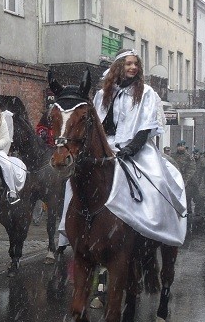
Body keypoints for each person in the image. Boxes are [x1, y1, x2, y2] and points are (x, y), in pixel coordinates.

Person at [72, 49, 186, 247]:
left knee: (157, 180)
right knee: (76, 177)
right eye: (128, 64)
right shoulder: (102, 94)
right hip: (106, 146)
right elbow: (94, 126)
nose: (133, 67)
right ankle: (71, 229)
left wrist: (131, 148)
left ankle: (157, 228)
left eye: (136, 64)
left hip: (135, 147)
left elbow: (146, 126)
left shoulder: (146, 93)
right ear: (118, 67)